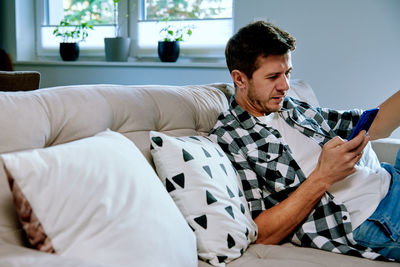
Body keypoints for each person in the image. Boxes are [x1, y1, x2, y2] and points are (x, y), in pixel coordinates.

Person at [209, 20, 400, 261]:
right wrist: (324, 175)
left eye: (288, 73)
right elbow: (262, 232)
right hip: (375, 217)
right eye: (273, 77)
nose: (285, 86)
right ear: (239, 79)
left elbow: (375, 124)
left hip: (391, 178)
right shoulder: (230, 138)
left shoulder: (291, 107)